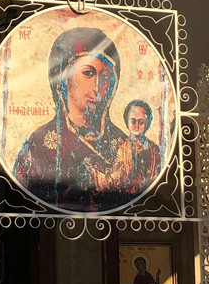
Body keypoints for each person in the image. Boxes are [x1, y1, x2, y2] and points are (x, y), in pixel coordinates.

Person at [12, 27, 128, 211]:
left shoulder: (124, 146)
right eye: (88, 73)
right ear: (63, 78)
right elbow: (26, 204)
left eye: (105, 77)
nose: (97, 87)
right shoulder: (38, 146)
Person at [110, 99, 163, 196]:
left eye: (141, 122)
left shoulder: (154, 149)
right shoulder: (120, 148)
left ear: (147, 123)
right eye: (133, 121)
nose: (137, 126)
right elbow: (115, 180)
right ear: (127, 121)